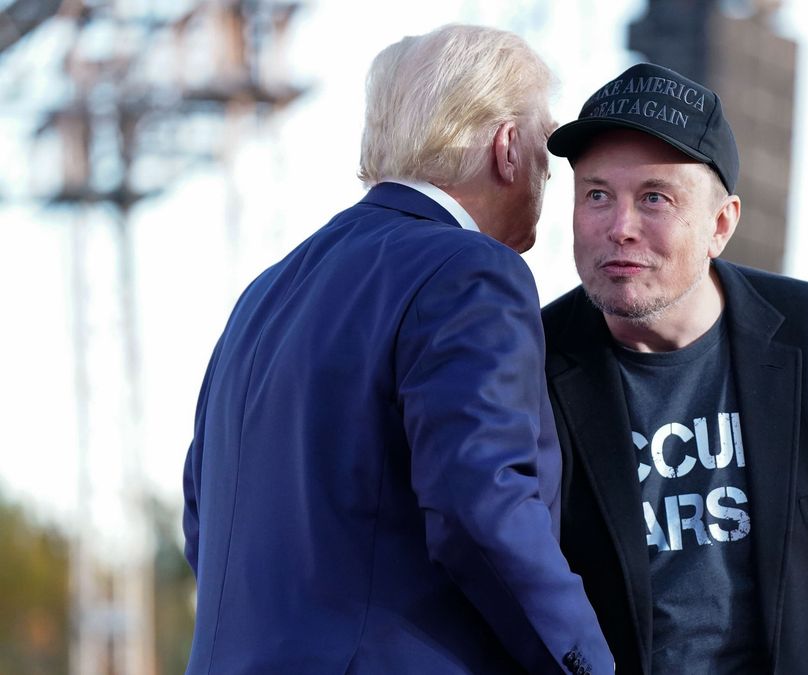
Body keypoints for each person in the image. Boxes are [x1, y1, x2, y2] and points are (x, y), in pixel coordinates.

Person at [182, 25, 612, 675]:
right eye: (546, 160)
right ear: (507, 148)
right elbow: (483, 505)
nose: (546, 182)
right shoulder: (471, 272)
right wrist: (586, 663)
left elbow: (203, 521)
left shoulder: (263, 297)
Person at [540, 62, 808, 674]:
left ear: (721, 224)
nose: (619, 228)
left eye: (655, 198)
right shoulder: (528, 361)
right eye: (597, 195)